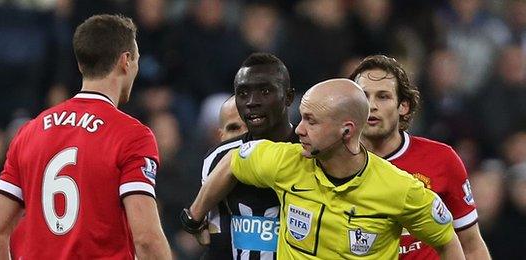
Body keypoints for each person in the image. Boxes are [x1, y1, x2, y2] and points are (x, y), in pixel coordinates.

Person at [182, 78, 466, 259]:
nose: (300, 129)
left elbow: (447, 240)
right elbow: (233, 161)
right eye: (301, 118)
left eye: (312, 121)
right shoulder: (286, 161)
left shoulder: (400, 189)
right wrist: (194, 217)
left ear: (346, 130)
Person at [0, 14, 172, 260]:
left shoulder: (29, 132)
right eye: (137, 60)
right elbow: (146, 240)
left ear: (81, 65)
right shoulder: (132, 136)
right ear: (126, 61)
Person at [349, 55, 490, 260]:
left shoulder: (442, 159)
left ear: (403, 106)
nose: (372, 105)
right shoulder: (336, 161)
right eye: (364, 96)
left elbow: (471, 245)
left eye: (383, 96)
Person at [198, 53, 297, 260]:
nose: (252, 102)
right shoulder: (218, 157)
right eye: (243, 93)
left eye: (265, 91)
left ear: (288, 97)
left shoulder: (311, 153)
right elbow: (215, 240)